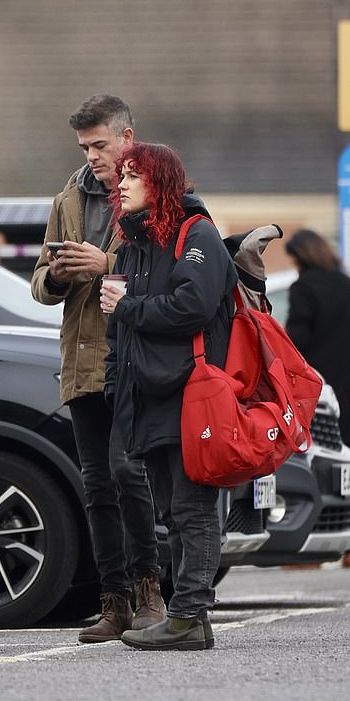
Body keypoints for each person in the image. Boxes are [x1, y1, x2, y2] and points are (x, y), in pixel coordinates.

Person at [31, 94, 166, 644]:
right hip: (83, 363)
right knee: (97, 485)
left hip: (134, 360)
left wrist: (106, 263)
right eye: (84, 147)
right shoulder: (68, 198)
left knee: (129, 475)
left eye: (100, 145)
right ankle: (113, 604)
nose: (91, 156)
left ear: (128, 139)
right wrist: (60, 275)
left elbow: (173, 271)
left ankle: (149, 594)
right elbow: (40, 282)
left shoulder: (158, 193)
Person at [101, 141, 237, 651]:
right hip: (147, 398)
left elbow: (193, 305)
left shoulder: (195, 233)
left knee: (193, 507)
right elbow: (119, 329)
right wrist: (117, 384)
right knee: (171, 511)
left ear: (160, 181)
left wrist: (129, 305)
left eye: (133, 176)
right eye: (122, 176)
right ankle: (189, 617)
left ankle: (187, 615)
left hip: (192, 393)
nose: (123, 184)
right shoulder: (132, 245)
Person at [284, 229, 350, 446]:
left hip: (320, 384)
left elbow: (295, 341)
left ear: (303, 258)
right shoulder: (345, 283)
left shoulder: (304, 288)